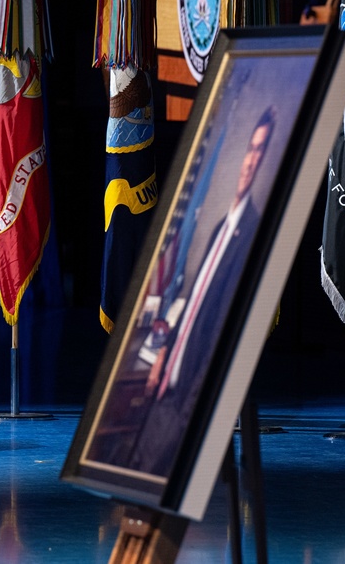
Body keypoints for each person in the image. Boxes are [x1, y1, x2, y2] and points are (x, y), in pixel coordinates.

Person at [128, 107, 276, 476]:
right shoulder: (218, 229)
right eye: (249, 149)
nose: (250, 161)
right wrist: (162, 356)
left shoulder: (256, 235)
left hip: (190, 404)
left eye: (261, 151)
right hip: (166, 387)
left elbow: (220, 332)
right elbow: (193, 307)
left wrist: (195, 404)